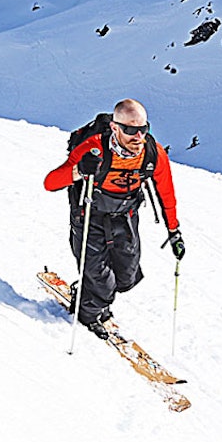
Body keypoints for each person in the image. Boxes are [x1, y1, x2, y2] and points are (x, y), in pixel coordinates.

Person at [43, 99, 185, 339]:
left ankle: (92, 295)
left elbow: (167, 194)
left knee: (127, 275)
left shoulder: (153, 154)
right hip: (90, 214)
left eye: (143, 129)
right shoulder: (93, 147)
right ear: (115, 128)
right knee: (100, 280)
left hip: (126, 214)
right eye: (130, 130)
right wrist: (80, 170)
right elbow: (51, 182)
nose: (138, 136)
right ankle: (87, 314)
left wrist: (174, 232)